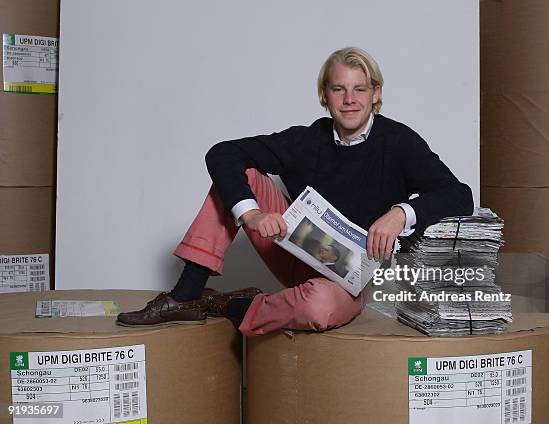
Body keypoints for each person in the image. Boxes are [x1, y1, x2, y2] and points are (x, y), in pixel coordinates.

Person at [117, 46, 473, 335]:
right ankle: (185, 296)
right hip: (292, 248)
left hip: (348, 276)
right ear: (324, 95)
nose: (349, 99)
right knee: (242, 175)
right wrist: (252, 213)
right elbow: (223, 152)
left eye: (359, 89)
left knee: (318, 308)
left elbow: (459, 194)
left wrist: (401, 213)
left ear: (375, 94)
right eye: (339, 89)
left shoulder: (398, 142)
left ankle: (226, 305)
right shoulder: (308, 140)